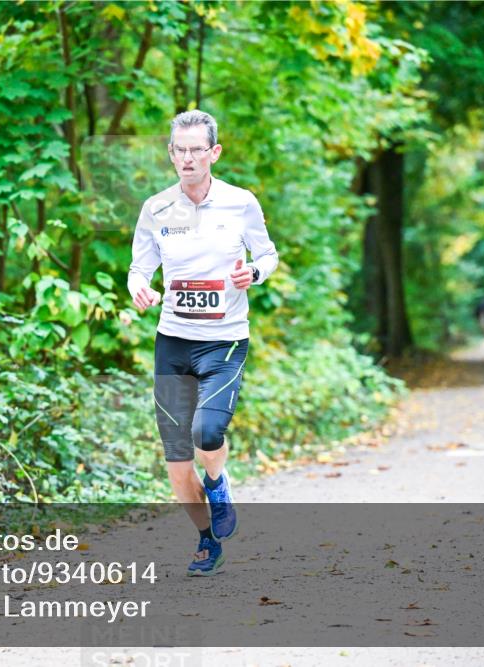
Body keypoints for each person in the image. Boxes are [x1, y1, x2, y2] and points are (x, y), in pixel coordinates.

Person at [128, 110, 278, 576]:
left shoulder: (241, 203)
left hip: (225, 341)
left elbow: (267, 254)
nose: (188, 157)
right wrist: (140, 287)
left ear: (214, 152)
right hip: (173, 341)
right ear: (170, 153)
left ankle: (218, 483)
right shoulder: (155, 208)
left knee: (206, 434)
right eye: (180, 149)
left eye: (197, 149)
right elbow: (140, 267)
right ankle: (206, 540)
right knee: (176, 462)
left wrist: (252, 272)